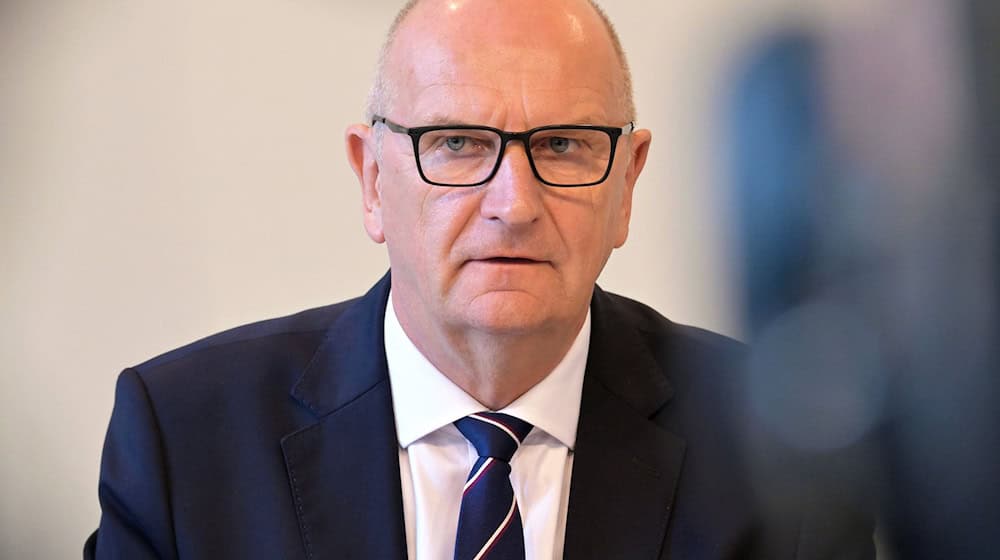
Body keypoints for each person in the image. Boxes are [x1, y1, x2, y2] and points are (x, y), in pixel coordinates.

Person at [85, 0, 875, 558]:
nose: (515, 204)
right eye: (458, 143)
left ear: (626, 184)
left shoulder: (784, 436)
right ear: (371, 181)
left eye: (564, 145)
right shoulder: (186, 440)